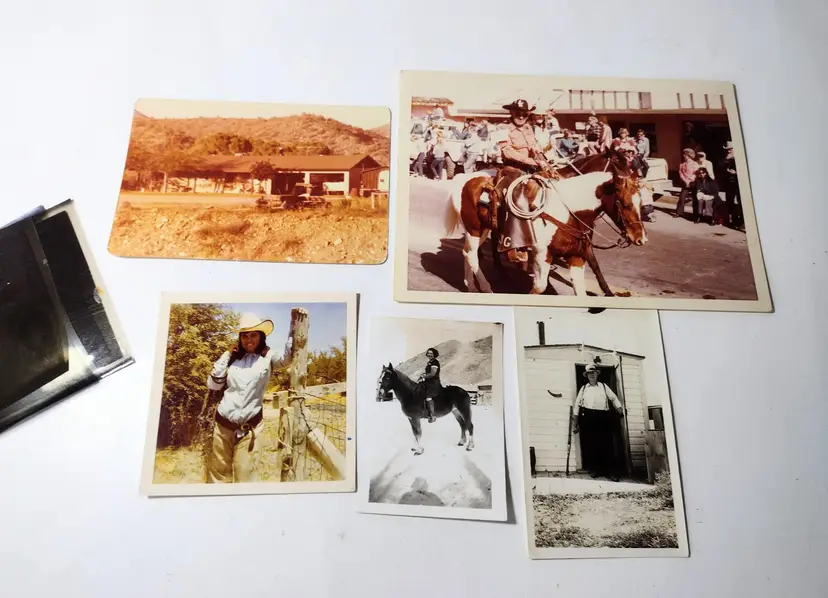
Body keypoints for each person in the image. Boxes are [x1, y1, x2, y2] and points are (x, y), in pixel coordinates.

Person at [206, 312, 295, 483]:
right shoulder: (232, 358)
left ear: (261, 336)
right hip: (222, 427)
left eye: (253, 335)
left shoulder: (268, 357)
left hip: (250, 431)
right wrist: (227, 354)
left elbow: (288, 357)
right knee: (218, 478)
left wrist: (294, 325)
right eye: (244, 335)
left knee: (246, 480)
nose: (249, 340)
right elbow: (213, 384)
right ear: (240, 338)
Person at [496, 98, 552, 262]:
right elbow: (507, 152)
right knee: (518, 199)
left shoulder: (529, 128)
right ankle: (515, 243)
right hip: (512, 170)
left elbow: (535, 147)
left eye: (524, 113)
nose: (521, 116)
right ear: (511, 112)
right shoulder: (501, 128)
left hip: (531, 168)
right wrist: (532, 161)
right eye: (517, 113)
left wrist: (541, 157)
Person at [572, 364, 624, 481]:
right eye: (589, 373)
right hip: (589, 418)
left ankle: (610, 472)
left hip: (603, 417)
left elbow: (613, 398)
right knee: (592, 445)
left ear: (597, 374)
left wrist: (619, 407)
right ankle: (596, 470)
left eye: (594, 373)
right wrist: (575, 423)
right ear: (587, 376)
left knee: (607, 444)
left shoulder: (604, 386)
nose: (592, 375)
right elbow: (577, 406)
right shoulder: (584, 389)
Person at [718, 141, 743, 229]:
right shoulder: (724, 159)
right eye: (727, 149)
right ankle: (733, 220)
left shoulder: (739, 158)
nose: (729, 151)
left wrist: (736, 172)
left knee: (740, 201)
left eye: (730, 149)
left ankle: (741, 220)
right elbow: (720, 169)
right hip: (728, 183)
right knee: (730, 202)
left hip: (738, 182)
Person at [417, 348, 441, 423]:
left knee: (428, 397)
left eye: (431, 353)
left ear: (434, 354)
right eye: (428, 353)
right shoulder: (430, 362)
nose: (429, 355)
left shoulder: (435, 362)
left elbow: (432, 374)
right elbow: (428, 373)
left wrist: (424, 376)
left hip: (433, 383)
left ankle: (432, 416)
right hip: (428, 382)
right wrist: (423, 375)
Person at [675, 148, 699, 219]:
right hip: (685, 183)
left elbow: (696, 173)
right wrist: (685, 181)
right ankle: (679, 212)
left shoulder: (694, 164)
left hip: (693, 183)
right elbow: (680, 173)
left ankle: (696, 215)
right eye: (684, 154)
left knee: (695, 199)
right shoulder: (682, 164)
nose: (684, 156)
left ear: (689, 155)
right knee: (682, 198)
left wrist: (690, 180)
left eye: (685, 154)